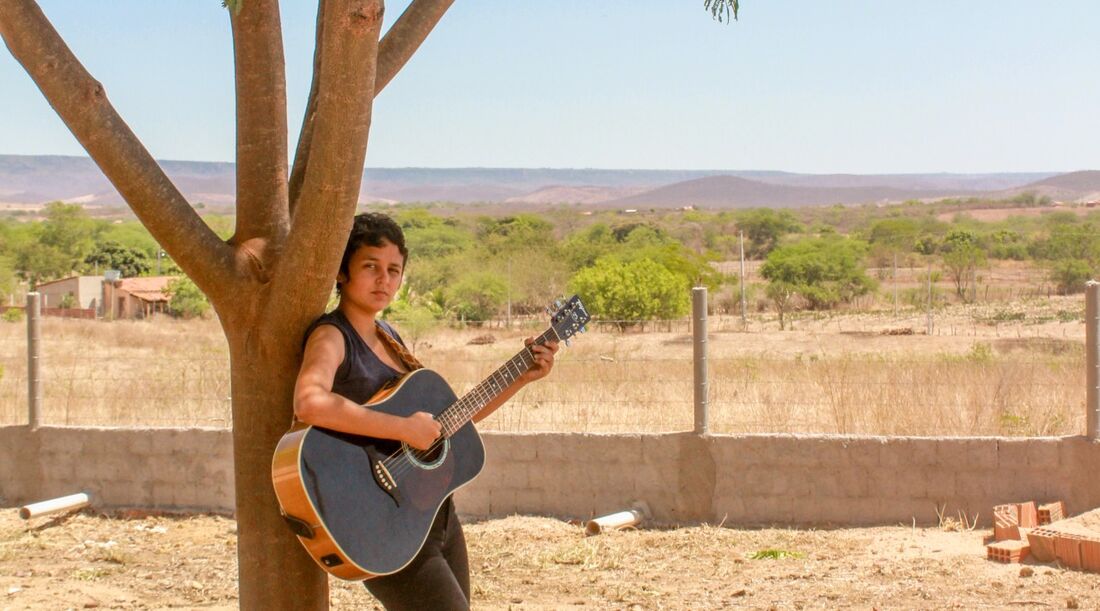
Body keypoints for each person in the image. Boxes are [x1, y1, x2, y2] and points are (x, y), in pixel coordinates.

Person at [293, 212, 558, 610]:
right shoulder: (332, 335)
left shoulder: (390, 337)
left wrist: (523, 376)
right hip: (381, 522)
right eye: (371, 267)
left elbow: (442, 427)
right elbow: (309, 402)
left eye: (393, 270)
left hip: (432, 516)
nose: (384, 279)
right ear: (342, 273)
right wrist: (403, 427)